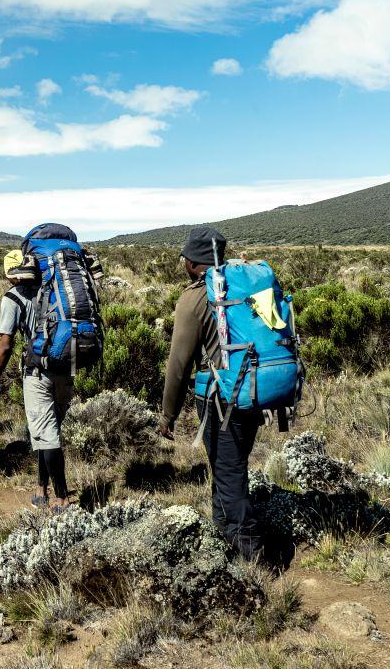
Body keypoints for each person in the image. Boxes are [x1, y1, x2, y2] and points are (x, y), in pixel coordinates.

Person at [160, 226, 264, 562]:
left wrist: (168, 415)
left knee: (229, 473)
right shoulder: (240, 284)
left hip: (221, 398)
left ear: (191, 262)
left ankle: (253, 560)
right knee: (228, 467)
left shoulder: (195, 298)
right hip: (252, 389)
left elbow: (178, 363)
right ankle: (224, 538)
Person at [0, 249, 71, 509]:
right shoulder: (54, 290)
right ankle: (41, 487)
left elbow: (5, 343)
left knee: (46, 435)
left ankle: (62, 496)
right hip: (67, 367)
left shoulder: (12, 298)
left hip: (36, 372)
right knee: (48, 430)